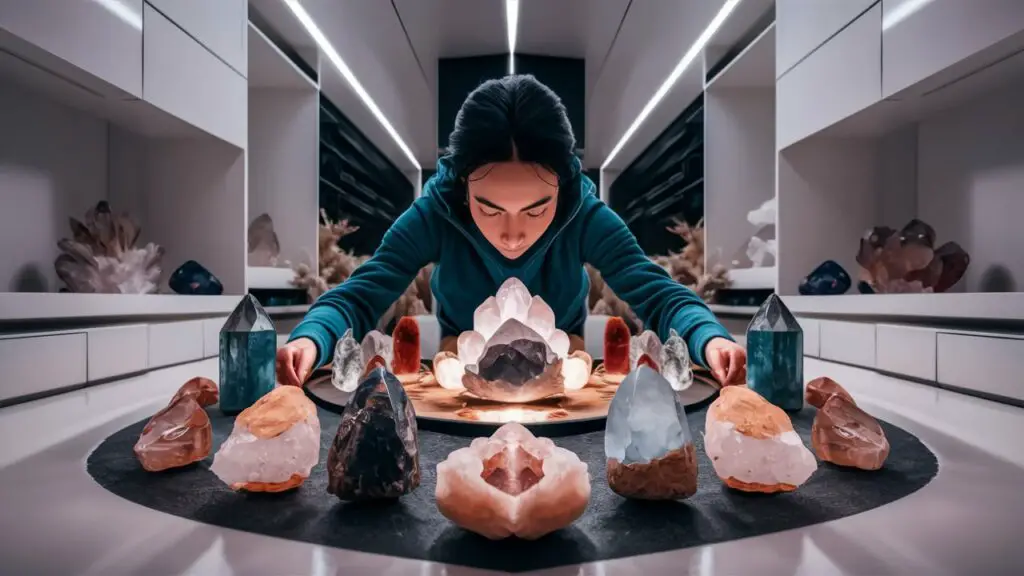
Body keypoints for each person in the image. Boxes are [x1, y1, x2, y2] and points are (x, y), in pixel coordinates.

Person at [276, 74, 747, 388]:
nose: (513, 235)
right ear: (462, 188)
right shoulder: (435, 211)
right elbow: (358, 297)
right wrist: (310, 338)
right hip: (461, 364)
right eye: (490, 207)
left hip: (564, 367)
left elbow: (660, 296)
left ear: (562, 187)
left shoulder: (584, 212)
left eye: (537, 208)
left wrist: (711, 338)